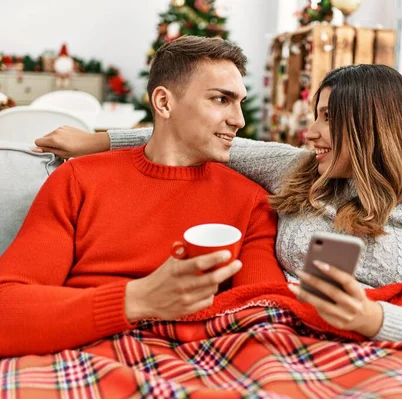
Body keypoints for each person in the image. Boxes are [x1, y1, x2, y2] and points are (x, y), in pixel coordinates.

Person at [34, 64, 402, 364]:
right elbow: (193, 134)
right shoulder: (297, 168)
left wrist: (372, 320)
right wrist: (97, 141)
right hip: (288, 342)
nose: (311, 133)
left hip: (390, 348)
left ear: (373, 126)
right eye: (315, 115)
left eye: (328, 118)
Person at [0, 36, 286, 358]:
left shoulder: (251, 202)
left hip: (197, 359)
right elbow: (7, 310)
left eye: (239, 102)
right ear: (164, 103)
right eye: (221, 99)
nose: (239, 120)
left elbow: (267, 314)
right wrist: (135, 299)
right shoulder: (78, 179)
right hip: (82, 353)